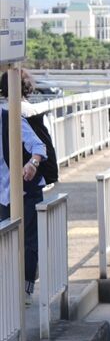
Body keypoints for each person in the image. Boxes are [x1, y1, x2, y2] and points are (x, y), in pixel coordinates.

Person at [1, 69, 49, 303]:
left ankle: (23, 290)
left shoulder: (11, 116)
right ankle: (20, 289)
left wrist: (32, 163)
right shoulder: (28, 111)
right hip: (9, 191)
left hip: (23, 188)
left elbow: (38, 146)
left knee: (24, 239)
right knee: (20, 240)